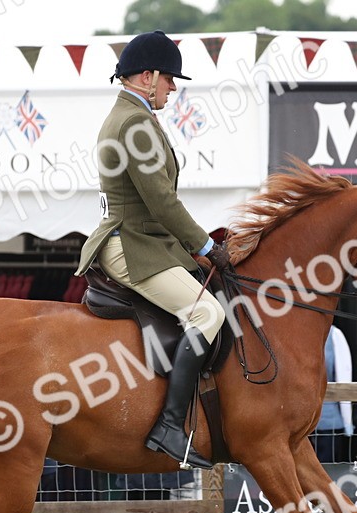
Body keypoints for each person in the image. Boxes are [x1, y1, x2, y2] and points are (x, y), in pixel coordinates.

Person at [77, 30, 231, 470]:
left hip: (144, 240)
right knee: (207, 314)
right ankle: (168, 426)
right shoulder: (134, 122)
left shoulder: (133, 116)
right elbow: (161, 201)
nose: (172, 87)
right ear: (146, 77)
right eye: (168, 79)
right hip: (132, 246)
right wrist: (204, 245)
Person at [310, 324, 354, 464]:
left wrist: (347, 421)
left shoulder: (334, 335)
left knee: (328, 475)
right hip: (292, 425)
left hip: (328, 423)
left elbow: (343, 377)